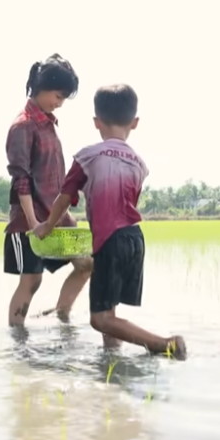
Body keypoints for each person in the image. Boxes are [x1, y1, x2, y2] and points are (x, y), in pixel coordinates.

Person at [33, 84, 186, 358]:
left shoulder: (88, 156)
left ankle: (165, 344)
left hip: (111, 241)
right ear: (135, 123)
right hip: (134, 239)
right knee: (110, 312)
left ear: (96, 122)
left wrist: (47, 225)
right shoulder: (139, 163)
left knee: (100, 318)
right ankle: (112, 364)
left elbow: (65, 196)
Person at [5, 54, 93, 326]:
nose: (60, 103)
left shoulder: (49, 123)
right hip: (28, 221)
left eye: (64, 98)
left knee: (86, 264)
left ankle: (62, 315)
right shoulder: (23, 126)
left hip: (56, 217)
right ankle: (17, 341)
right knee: (31, 281)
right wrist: (33, 223)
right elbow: (21, 179)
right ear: (41, 87)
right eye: (58, 96)